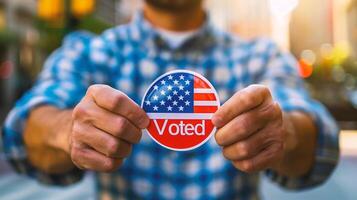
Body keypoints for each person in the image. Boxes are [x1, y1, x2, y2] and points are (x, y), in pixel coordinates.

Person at [1, 0, 339, 199]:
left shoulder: (260, 55)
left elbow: (317, 134)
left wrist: (284, 132)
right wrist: (66, 130)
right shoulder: (90, 51)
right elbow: (23, 128)